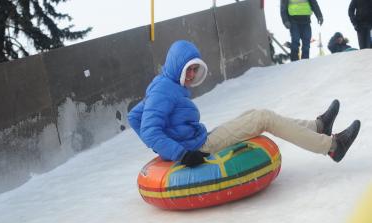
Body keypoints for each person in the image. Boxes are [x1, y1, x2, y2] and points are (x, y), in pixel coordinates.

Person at [128, 40, 361, 168]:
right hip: (198, 147)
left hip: (198, 139)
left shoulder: (164, 84)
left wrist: (164, 146)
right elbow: (149, 129)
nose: (191, 76)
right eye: (188, 70)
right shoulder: (164, 91)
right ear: (176, 65)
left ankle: (317, 127)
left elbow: (135, 117)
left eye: (195, 69)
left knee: (254, 113)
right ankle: (331, 147)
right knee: (263, 118)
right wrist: (179, 153)